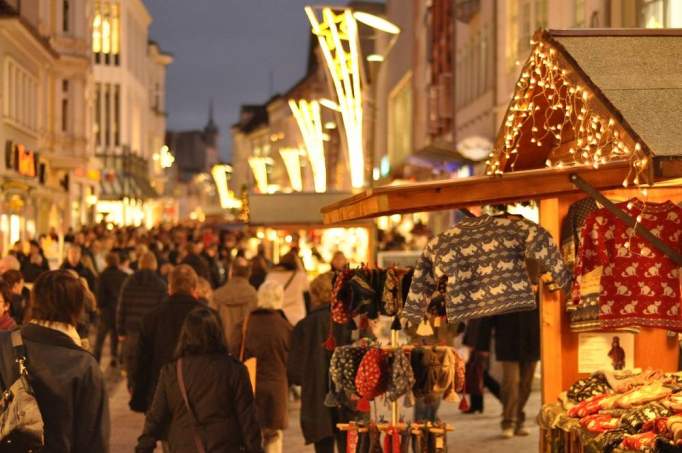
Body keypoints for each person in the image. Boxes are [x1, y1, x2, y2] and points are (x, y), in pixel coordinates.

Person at [0, 270, 109, 451]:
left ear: (34, 302)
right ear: (76, 308)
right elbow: (94, 442)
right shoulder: (84, 366)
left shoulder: (4, 343)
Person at [135, 307, 263, 453]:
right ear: (217, 334)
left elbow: (155, 418)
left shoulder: (172, 372)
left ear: (185, 336)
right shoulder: (235, 370)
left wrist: (143, 447)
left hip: (184, 447)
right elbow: (248, 420)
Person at [288, 273, 351, 453]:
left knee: (323, 448)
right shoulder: (350, 322)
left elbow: (294, 372)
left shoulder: (304, 326)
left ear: (315, 295)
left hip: (316, 401)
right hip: (347, 399)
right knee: (349, 444)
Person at [130, 264, 204, 413]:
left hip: (160, 393)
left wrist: (139, 397)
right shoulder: (208, 317)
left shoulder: (152, 318)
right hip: (199, 393)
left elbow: (142, 361)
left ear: (170, 287)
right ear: (195, 287)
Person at [231, 281, 292, 453]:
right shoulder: (284, 327)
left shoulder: (245, 324)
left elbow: (234, 352)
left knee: (249, 436)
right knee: (273, 437)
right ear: (280, 299)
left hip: (247, 390)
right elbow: (292, 361)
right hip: (275, 392)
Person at [118, 252, 168, 387]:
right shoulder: (161, 285)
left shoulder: (129, 282)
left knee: (132, 365)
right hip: (151, 333)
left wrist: (120, 330)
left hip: (132, 331)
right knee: (149, 365)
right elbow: (163, 312)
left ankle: (132, 389)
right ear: (154, 265)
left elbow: (122, 306)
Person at [94, 252, 128, 365]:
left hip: (106, 310)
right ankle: (114, 358)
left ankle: (96, 358)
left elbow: (99, 294)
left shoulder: (103, 275)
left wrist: (99, 306)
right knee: (115, 335)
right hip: (118, 310)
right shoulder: (123, 275)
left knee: (100, 337)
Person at [213, 257, 258, 344]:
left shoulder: (216, 296)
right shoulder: (254, 296)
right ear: (248, 274)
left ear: (230, 273)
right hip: (245, 346)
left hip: (222, 346)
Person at [264, 251, 309, 326]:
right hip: (296, 316)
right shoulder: (300, 276)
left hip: (276, 315)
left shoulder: (271, 275)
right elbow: (307, 288)